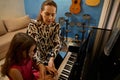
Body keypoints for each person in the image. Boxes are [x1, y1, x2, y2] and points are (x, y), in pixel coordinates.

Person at [27, 0, 61, 78]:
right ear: (41, 12)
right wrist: (40, 65)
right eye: (47, 14)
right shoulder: (33, 25)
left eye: (53, 15)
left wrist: (51, 59)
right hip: (37, 60)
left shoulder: (56, 26)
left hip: (51, 56)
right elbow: (33, 49)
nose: (50, 18)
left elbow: (57, 44)